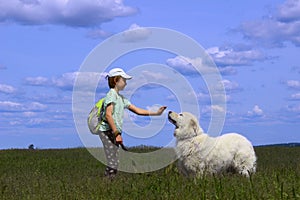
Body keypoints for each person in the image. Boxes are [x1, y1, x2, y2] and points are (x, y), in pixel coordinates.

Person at [98, 68, 167, 178]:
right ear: (116, 80)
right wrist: (116, 133)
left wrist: (156, 113)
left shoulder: (121, 98)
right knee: (113, 161)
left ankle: (108, 183)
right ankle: (106, 185)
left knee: (114, 160)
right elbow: (108, 114)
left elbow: (137, 111)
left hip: (113, 131)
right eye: (124, 80)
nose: (125, 83)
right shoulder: (111, 95)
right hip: (107, 131)